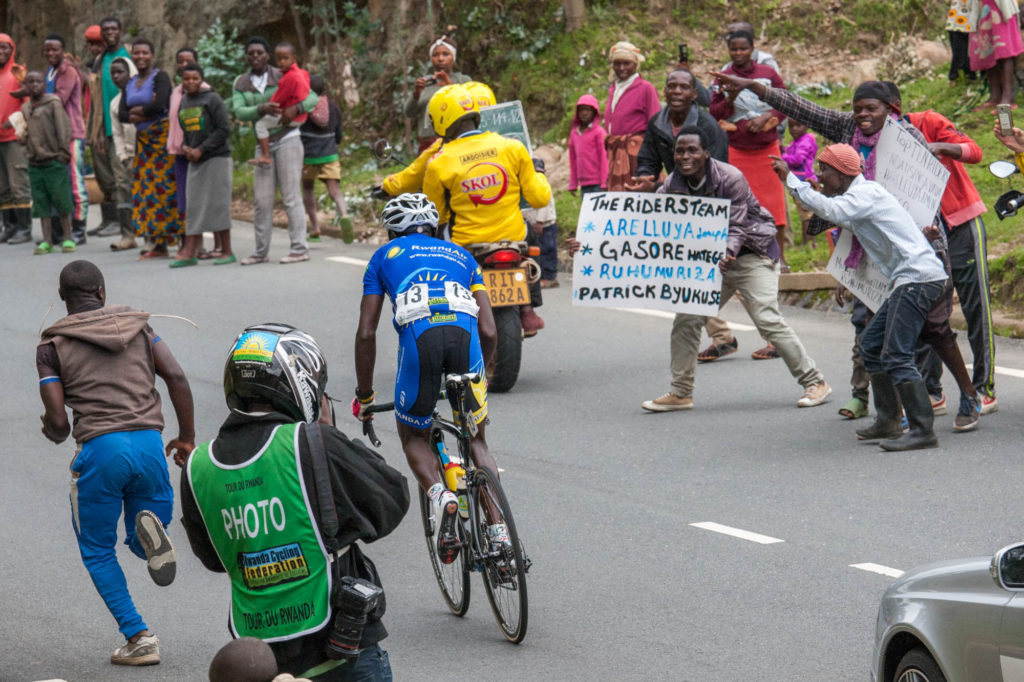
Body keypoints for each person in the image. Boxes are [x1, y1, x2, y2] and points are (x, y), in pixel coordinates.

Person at [181, 323, 408, 680]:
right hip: (341, 650)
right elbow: (392, 501)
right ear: (301, 385)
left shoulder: (199, 466)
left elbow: (213, 557)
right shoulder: (312, 442)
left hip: (263, 661)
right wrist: (329, 435)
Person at [36, 260, 195, 664]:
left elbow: (57, 421)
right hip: (148, 444)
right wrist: (187, 437)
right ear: (102, 293)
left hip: (101, 452)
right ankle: (145, 544)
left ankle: (138, 637)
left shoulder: (51, 347)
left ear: (62, 299)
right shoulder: (140, 328)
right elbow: (176, 376)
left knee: (97, 550)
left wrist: (53, 431)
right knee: (142, 533)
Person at [354, 193, 502, 564]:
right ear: (434, 228)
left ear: (392, 232)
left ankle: (440, 494)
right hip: (466, 338)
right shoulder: (462, 256)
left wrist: (366, 395)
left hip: (420, 340)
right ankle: (500, 534)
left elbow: (367, 333)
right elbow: (488, 329)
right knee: (477, 437)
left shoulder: (382, 258)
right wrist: (485, 378)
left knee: (413, 436)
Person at [775, 144, 954, 448]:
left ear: (842, 173)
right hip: (910, 278)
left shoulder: (864, 195)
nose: (820, 175)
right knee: (871, 344)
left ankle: (924, 430)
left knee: (896, 353)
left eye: (824, 169)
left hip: (918, 278)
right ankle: (888, 421)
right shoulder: (860, 196)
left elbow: (832, 211)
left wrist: (791, 180)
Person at [640, 126, 831, 412]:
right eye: (680, 151)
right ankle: (680, 392)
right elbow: (650, 225)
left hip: (752, 253)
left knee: (766, 318)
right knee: (687, 319)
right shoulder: (672, 184)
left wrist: (728, 253)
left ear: (706, 153)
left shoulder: (730, 177)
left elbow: (738, 225)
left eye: (692, 150)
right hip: (710, 262)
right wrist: (594, 246)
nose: (685, 156)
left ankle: (815, 382)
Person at [627, 69, 772, 365]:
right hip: (681, 206)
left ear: (695, 94)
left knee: (732, 272)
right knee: (690, 278)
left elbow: (717, 171)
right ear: (665, 91)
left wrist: (668, 188)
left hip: (713, 209)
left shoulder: (708, 127)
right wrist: (645, 178)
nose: (677, 91)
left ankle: (772, 335)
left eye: (684, 87)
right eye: (672, 86)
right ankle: (722, 337)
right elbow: (648, 159)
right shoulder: (657, 123)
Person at [421, 84, 552, 335]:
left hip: (466, 242)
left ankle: (445, 317)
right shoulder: (512, 147)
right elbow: (539, 197)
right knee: (531, 240)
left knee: (434, 250)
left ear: (440, 120)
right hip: (513, 237)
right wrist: (539, 173)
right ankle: (528, 310)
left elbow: (436, 214)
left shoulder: (439, 162)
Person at [904, 95, 996, 416]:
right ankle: (932, 390)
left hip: (960, 224)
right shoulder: (877, 145)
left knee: (976, 307)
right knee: (928, 313)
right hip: (922, 235)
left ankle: (984, 388)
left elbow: (974, 150)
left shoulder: (928, 121)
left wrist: (939, 148)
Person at [232, 36, 319, 265]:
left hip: (288, 138)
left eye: (260, 52)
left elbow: (312, 97)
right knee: (262, 201)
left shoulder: (284, 72)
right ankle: (260, 252)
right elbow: (239, 111)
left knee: (291, 197)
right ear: (247, 57)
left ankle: (299, 248)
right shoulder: (241, 82)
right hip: (262, 143)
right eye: (251, 53)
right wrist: (260, 108)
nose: (256, 56)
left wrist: (296, 107)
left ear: (268, 55)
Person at [710, 29, 790, 268]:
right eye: (733, 49)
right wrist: (731, 98)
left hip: (767, 149)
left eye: (743, 48)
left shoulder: (767, 74)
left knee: (774, 204)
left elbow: (786, 102)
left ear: (752, 49)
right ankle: (739, 257)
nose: (738, 53)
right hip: (736, 150)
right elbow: (715, 112)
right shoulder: (722, 77)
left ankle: (779, 257)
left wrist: (767, 116)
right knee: (738, 204)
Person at [120, 38, 183, 260]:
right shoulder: (130, 81)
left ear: (152, 55)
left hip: (162, 139)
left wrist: (136, 112)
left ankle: (180, 240)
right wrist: (143, 111)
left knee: (167, 188)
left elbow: (161, 105)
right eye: (136, 53)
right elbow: (121, 113)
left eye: (145, 53)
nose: (140, 57)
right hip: (143, 142)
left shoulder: (161, 77)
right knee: (147, 191)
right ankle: (158, 244)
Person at [174, 62, 234, 267]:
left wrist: (202, 148)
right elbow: (186, 131)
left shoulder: (212, 99)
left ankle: (227, 250)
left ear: (201, 80)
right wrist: (186, 147)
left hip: (216, 157)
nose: (190, 82)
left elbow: (223, 129)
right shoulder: (184, 101)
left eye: (195, 79)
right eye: (186, 79)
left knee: (219, 203)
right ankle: (190, 252)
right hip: (195, 160)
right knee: (193, 205)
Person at [19, 70, 75, 254]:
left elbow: (63, 128)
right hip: (35, 162)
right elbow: (26, 131)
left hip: (54, 160)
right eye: (31, 82)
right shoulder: (26, 108)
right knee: (41, 202)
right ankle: (47, 241)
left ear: (45, 84)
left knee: (61, 199)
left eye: (38, 82)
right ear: (26, 86)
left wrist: (63, 153)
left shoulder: (53, 104)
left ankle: (68, 238)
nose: (35, 85)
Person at [87, 17, 132, 241]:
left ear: (121, 31)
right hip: (103, 125)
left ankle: (128, 226)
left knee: (122, 176)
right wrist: (98, 131)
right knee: (105, 177)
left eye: (114, 29)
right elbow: (98, 97)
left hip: (126, 126)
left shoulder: (129, 55)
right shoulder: (99, 60)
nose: (110, 33)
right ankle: (111, 220)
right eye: (106, 30)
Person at [43, 33, 88, 246]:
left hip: (71, 133)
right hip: (53, 135)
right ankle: (62, 228)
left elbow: (58, 99)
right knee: (58, 182)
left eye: (55, 49)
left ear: (63, 50)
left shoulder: (68, 71)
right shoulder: (50, 72)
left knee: (74, 182)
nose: (51, 53)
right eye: (48, 50)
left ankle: (79, 227)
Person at [300, 74, 352, 243]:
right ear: (324, 89)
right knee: (334, 191)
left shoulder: (305, 107)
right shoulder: (333, 106)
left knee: (308, 188)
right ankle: (344, 214)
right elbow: (339, 133)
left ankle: (315, 227)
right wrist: (333, 146)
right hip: (329, 153)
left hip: (308, 156)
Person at [603, 41, 660, 191]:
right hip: (616, 153)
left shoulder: (646, 88)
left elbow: (656, 123)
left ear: (635, 64)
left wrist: (651, 156)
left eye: (626, 63)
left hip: (637, 154)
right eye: (617, 63)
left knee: (638, 195)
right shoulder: (614, 89)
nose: (621, 68)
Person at [167, 47, 207, 246]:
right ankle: (188, 241)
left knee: (197, 199)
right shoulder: (176, 91)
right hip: (179, 152)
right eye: (180, 61)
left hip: (197, 152)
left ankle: (197, 243)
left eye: (188, 61)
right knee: (183, 199)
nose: (183, 65)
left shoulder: (205, 91)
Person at [405, 35, 470, 152]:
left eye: (445, 54)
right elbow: (409, 113)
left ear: (453, 57)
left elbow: (471, 107)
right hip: (428, 145)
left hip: (457, 142)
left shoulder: (463, 81)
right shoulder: (424, 82)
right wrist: (416, 94)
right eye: (435, 55)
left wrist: (449, 85)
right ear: (431, 59)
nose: (440, 59)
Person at [250, 43, 309, 168]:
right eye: (279, 59)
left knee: (260, 125)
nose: (282, 62)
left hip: (293, 118)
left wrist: (269, 106)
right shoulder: (303, 73)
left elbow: (278, 99)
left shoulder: (288, 78)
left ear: (294, 58)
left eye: (285, 58)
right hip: (303, 115)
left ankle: (266, 155)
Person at [0, 33, 32, 246]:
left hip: (13, 137)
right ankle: (9, 227)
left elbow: (28, 103)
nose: (1, 52)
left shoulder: (18, 73)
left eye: (5, 48)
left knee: (18, 182)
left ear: (12, 50)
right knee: (2, 186)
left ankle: (24, 228)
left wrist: (22, 131)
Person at [108, 56, 138, 252]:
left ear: (131, 73)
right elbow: (117, 133)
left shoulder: (141, 96)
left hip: (145, 153)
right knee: (123, 190)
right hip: (125, 155)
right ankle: (128, 236)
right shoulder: (115, 103)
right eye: (113, 73)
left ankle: (154, 236)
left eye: (121, 72)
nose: (117, 76)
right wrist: (123, 156)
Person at [968, 0, 1022, 108]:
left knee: (1005, 52)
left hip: (1001, 11)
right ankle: (995, 95)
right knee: (987, 53)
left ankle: (1007, 97)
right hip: (982, 10)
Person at [524, 158, 560, 287]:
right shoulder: (529, 185)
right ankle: (539, 277)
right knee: (536, 252)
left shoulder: (543, 185)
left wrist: (539, 221)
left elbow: (543, 206)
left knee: (548, 250)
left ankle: (550, 277)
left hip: (545, 225)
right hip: (532, 224)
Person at [781, 120, 818, 242]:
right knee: (804, 213)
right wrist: (784, 149)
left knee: (806, 214)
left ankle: (809, 242)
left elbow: (797, 159)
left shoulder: (805, 141)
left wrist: (782, 157)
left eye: (798, 125)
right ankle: (809, 242)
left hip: (804, 182)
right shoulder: (798, 141)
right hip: (799, 181)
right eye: (791, 126)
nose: (794, 129)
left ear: (807, 125)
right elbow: (793, 152)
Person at [567, 94, 607, 196]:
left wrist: (604, 182)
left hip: (598, 184)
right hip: (584, 185)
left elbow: (604, 158)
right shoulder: (574, 134)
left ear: (594, 112)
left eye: (588, 110)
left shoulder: (599, 133)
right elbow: (573, 160)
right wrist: (573, 184)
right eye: (581, 110)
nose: (584, 113)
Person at [947, 0, 977, 82]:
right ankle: (956, 77)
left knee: (963, 54)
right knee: (959, 55)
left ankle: (968, 76)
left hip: (965, 24)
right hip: (956, 23)